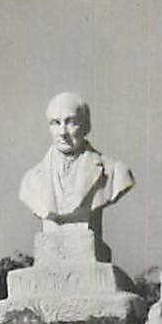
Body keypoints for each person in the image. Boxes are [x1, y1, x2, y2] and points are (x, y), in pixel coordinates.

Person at [17, 92, 135, 241]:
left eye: (70, 122)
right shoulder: (31, 181)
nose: (62, 132)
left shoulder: (115, 173)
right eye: (55, 123)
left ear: (86, 126)